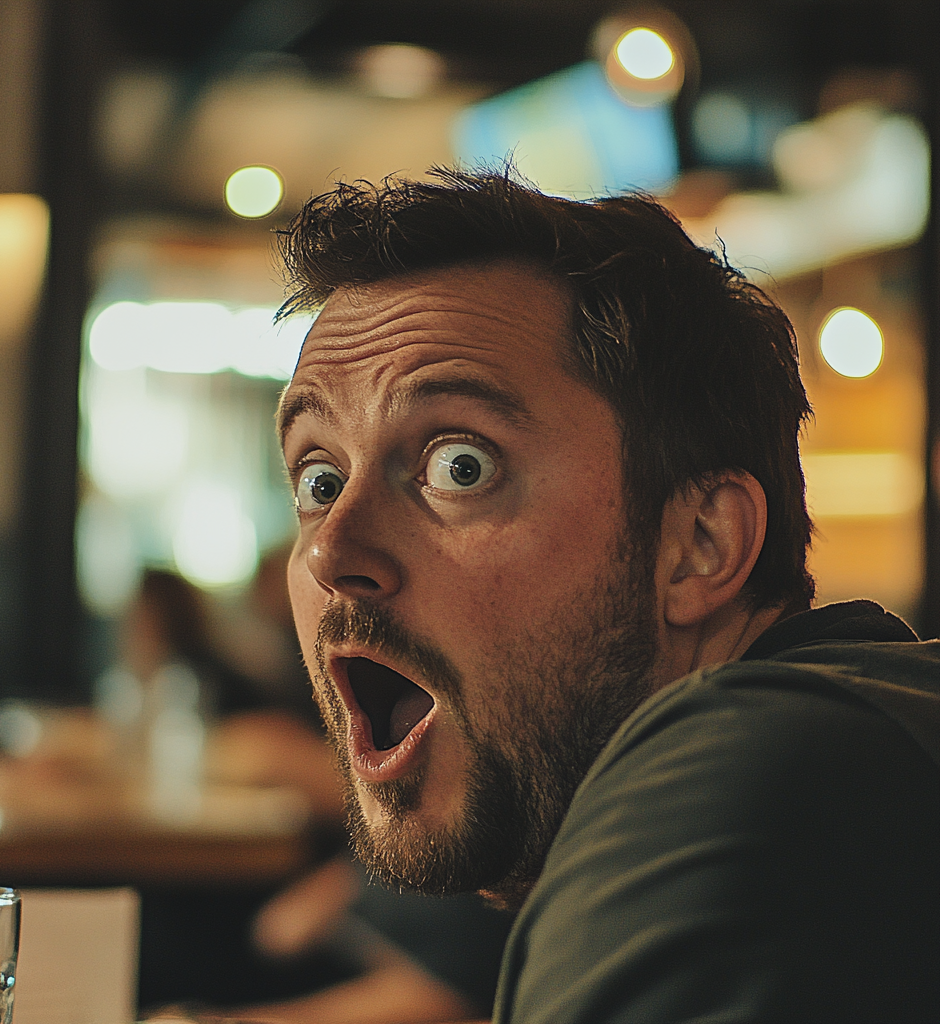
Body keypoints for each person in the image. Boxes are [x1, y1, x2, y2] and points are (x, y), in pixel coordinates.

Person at [274, 167, 940, 1023]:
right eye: (320, 479)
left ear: (700, 545)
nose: (331, 548)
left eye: (459, 466)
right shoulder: (847, 730)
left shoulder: (736, 788)